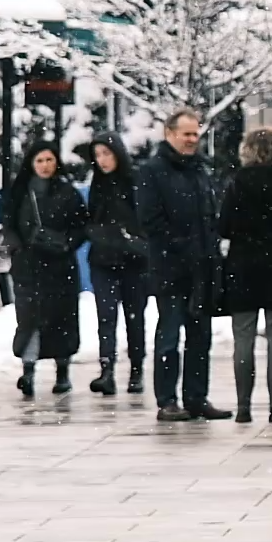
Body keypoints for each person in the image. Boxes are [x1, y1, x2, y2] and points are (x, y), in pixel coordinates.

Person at [135, 109, 227, 422]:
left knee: (200, 337)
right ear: (169, 134)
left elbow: (210, 217)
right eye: (185, 134)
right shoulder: (152, 171)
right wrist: (181, 248)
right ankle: (167, 399)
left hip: (203, 269)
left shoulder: (200, 170)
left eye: (195, 134)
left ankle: (197, 396)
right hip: (170, 269)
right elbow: (150, 221)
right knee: (170, 335)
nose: (191, 140)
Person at [218, 127, 272, 423]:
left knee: (243, 338)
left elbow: (224, 226)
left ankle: (244, 406)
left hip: (242, 267)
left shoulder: (236, 184)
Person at [2, 142, 88, 398]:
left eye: (49, 160)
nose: (45, 166)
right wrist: (19, 248)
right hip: (29, 268)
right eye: (39, 160)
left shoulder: (68, 193)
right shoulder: (20, 193)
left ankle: (63, 373)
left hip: (60, 268)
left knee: (62, 320)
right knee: (30, 321)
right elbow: (9, 225)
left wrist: (66, 244)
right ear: (31, 163)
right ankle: (28, 371)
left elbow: (81, 226)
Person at [86, 134, 149, 395]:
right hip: (103, 259)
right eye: (98, 155)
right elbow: (91, 218)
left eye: (106, 153)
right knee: (106, 315)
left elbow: (142, 217)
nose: (102, 160)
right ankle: (107, 368)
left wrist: (132, 239)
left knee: (134, 317)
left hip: (133, 260)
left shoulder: (134, 182)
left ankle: (136, 369)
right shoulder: (98, 185)